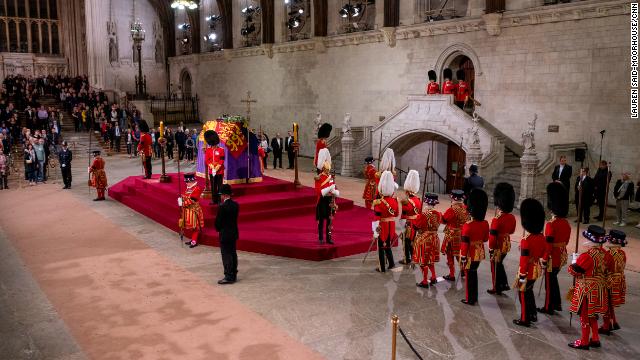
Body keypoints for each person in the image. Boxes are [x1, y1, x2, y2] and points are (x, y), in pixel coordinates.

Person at [567, 225, 611, 349]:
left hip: (587, 289)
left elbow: (574, 271)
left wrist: (574, 262)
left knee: (584, 316)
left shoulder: (586, 256)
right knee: (592, 315)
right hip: (599, 289)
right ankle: (595, 338)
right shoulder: (605, 254)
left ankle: (584, 341)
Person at [538, 182, 571, 315]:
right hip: (562, 254)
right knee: (553, 280)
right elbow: (566, 241)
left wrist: (544, 258)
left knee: (549, 284)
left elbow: (549, 244)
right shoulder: (566, 223)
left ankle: (548, 306)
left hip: (552, 257)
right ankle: (556, 303)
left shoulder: (551, 224)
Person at [513, 198, 546, 327]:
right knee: (529, 291)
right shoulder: (541, 237)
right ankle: (533, 314)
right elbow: (542, 251)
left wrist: (522, 274)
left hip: (527, 270)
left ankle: (525, 318)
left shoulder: (526, 240)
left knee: (523, 293)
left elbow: (524, 260)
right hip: (536, 268)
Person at [460, 189, 489, 305]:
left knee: (469, 276)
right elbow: (486, 239)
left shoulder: (468, 226)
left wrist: (462, 256)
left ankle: (470, 298)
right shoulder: (485, 223)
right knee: (473, 273)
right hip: (479, 252)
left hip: (469, 254)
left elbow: (465, 244)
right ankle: (474, 297)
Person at [487, 183, 516, 295]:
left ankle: (496, 286)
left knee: (494, 265)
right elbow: (512, 231)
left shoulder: (497, 219)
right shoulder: (512, 217)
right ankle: (503, 284)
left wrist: (491, 247)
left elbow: (493, 236)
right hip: (506, 244)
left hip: (498, 245)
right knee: (499, 263)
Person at [599, 230, 627, 335]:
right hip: (619, 280)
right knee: (610, 303)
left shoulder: (609, 254)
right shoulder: (622, 253)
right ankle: (614, 322)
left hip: (610, 281)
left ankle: (606, 325)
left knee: (606, 303)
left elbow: (604, 269)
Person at [412, 193, 442, 287]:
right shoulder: (439, 214)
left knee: (423, 261)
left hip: (424, 239)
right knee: (430, 259)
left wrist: (417, 217)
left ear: (426, 203)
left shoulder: (424, 214)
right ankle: (433, 277)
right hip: (434, 238)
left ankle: (425, 281)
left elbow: (416, 226)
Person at [373, 171, 397, 273]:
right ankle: (391, 263)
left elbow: (377, 215)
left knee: (381, 247)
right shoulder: (395, 200)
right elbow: (396, 214)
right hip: (391, 225)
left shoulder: (379, 202)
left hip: (382, 225)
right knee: (388, 245)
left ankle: (382, 267)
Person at [441, 189, 468, 281]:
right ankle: (463, 270)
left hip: (452, 234)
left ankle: (452, 274)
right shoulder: (466, 208)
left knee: (450, 254)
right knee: (459, 254)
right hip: (463, 233)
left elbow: (444, 220)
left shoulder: (452, 209)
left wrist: (440, 215)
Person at [215, 184, 239, 285]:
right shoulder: (236, 205)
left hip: (225, 234)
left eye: (221, 195)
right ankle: (233, 273)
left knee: (226, 255)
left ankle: (228, 276)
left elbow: (218, 223)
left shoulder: (222, 207)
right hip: (233, 232)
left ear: (224, 195)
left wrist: (218, 228)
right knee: (233, 253)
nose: (220, 197)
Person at [315, 148, 339, 245]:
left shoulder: (331, 177)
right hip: (322, 200)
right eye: (327, 170)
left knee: (330, 221)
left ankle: (329, 237)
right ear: (323, 169)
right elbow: (318, 191)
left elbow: (334, 188)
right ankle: (321, 237)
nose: (328, 171)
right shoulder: (319, 178)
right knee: (321, 221)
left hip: (330, 200)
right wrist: (329, 189)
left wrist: (335, 192)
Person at [399, 170, 422, 265]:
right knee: (413, 241)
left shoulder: (407, 201)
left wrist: (401, 226)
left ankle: (406, 258)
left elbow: (403, 215)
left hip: (408, 224)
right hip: (416, 223)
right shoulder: (418, 200)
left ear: (407, 191)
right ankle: (414, 257)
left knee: (406, 242)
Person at [178, 173, 204, 248]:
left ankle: (194, 241)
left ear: (192, 181)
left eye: (188, 182)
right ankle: (193, 239)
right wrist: (181, 199)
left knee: (195, 226)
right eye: (186, 182)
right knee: (192, 226)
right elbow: (185, 196)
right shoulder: (188, 188)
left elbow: (192, 200)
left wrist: (182, 203)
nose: (187, 183)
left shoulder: (197, 189)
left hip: (193, 211)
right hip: (187, 211)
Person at [205, 130, 225, 205]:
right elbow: (207, 160)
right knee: (213, 186)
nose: (213, 145)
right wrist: (212, 167)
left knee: (219, 186)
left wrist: (216, 168)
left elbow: (222, 160)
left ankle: (219, 200)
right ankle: (214, 200)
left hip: (220, 171)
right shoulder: (208, 150)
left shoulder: (221, 150)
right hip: (211, 171)